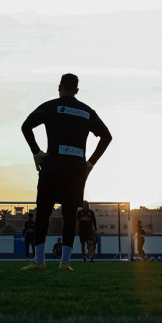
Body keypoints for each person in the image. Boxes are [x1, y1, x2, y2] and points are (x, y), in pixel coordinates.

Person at [20, 73, 113, 271]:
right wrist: (90, 163)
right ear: (77, 91)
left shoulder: (50, 106)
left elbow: (26, 126)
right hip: (76, 169)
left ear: (59, 87)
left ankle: (39, 261)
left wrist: (36, 152)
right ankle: (65, 263)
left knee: (44, 212)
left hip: (52, 165)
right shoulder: (87, 111)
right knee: (70, 215)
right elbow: (107, 136)